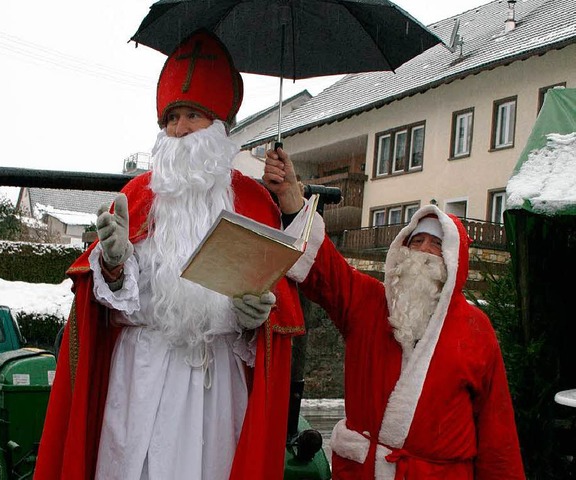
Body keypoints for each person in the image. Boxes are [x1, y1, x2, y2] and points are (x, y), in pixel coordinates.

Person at [34, 30, 305, 480]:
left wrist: (253, 319)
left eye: (193, 116)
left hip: (215, 386)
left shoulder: (255, 203)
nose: (179, 130)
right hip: (141, 375)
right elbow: (105, 302)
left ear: (219, 127)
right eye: (171, 118)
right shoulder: (137, 195)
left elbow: (275, 316)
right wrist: (115, 265)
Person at [263, 147, 525, 479]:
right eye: (417, 242)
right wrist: (291, 198)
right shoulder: (368, 302)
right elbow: (325, 269)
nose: (424, 253)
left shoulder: (476, 328)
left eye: (436, 245)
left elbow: (496, 431)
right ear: (401, 250)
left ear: (453, 262)